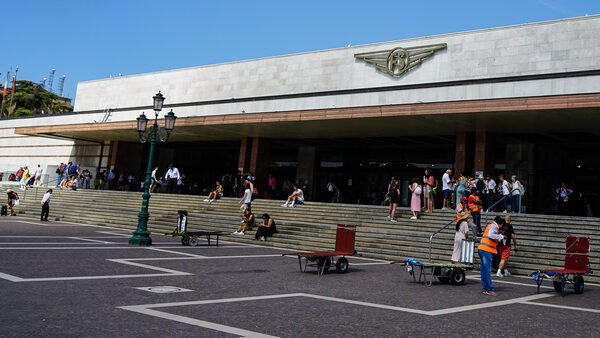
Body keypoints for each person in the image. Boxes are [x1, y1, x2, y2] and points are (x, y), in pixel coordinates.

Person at [477, 216, 506, 296]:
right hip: (487, 250)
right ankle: (489, 289)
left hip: (482, 249)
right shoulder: (494, 226)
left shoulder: (489, 225)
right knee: (487, 270)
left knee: (483, 270)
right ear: (500, 224)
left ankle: (486, 288)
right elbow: (490, 235)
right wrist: (501, 236)